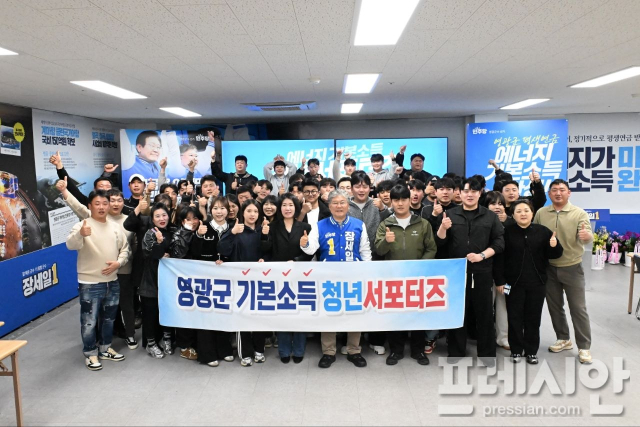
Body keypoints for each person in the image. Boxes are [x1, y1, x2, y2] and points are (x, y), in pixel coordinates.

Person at [435, 177, 505, 363]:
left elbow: (499, 242)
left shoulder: (489, 216)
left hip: (482, 271)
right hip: (456, 273)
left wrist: (482, 255)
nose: (470, 195)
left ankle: (487, 355)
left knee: (484, 314)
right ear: (460, 193)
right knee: (457, 313)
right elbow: (440, 243)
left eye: (474, 191)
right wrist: (442, 228)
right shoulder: (450, 214)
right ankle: (456, 352)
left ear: (480, 193)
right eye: (466, 191)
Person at [302, 189, 371, 369]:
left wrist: (367, 273)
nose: (339, 206)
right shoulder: (320, 225)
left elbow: (365, 251)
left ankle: (354, 350)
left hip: (353, 278)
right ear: (329, 205)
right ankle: (328, 352)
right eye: (335, 203)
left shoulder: (358, 225)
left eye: (342, 202)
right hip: (328, 278)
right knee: (329, 313)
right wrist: (305, 244)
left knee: (354, 313)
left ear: (348, 205)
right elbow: (311, 250)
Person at [494, 199, 564, 364]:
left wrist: (554, 245)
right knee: (514, 318)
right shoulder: (506, 232)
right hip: (512, 284)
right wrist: (500, 281)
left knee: (533, 318)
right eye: (518, 211)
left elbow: (555, 254)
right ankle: (516, 351)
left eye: (526, 210)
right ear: (513, 215)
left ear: (532, 213)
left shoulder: (543, 231)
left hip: (537, 283)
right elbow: (499, 259)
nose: (523, 214)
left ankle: (531, 351)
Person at [66, 190, 130, 371]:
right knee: (89, 321)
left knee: (109, 319)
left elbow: (125, 249)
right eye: (97, 204)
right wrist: (80, 234)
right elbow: (70, 245)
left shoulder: (115, 227)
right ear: (90, 206)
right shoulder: (82, 225)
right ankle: (90, 352)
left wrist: (118, 263)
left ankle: (105, 348)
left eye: (104, 203)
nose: (101, 207)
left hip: (112, 281)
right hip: (90, 283)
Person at [533, 179, 594, 364]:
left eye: (562, 190)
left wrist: (587, 237)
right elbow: (534, 233)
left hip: (572, 267)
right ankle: (563, 338)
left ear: (569, 193)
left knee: (578, 308)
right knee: (555, 306)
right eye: (554, 190)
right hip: (549, 268)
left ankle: (584, 347)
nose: (558, 193)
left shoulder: (579, 213)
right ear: (549, 194)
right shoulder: (541, 213)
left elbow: (587, 236)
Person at [375, 184, 436, 366]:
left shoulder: (422, 223)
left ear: (410, 201)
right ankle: (396, 351)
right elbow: (378, 250)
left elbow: (431, 248)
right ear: (391, 202)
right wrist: (386, 242)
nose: (400, 203)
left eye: (403, 199)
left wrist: (420, 266)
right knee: (395, 315)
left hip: (417, 277)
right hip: (393, 277)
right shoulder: (385, 224)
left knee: (418, 314)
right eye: (396, 200)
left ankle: (418, 351)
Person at [218, 199, 270, 367]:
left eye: (255, 211)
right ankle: (245, 353)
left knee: (260, 316)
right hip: (240, 282)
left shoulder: (263, 229)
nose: (252, 214)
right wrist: (232, 233)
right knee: (243, 317)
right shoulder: (236, 229)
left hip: (260, 281)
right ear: (243, 212)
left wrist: (264, 257)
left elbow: (269, 252)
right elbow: (223, 250)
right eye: (249, 211)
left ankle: (259, 350)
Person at [262, 193, 313, 363]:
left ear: (296, 207)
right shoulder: (272, 226)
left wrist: (297, 260)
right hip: (279, 276)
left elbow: (310, 252)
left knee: (300, 313)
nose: (287, 208)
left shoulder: (305, 226)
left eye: (291, 205)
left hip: (300, 275)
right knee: (282, 313)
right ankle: (284, 351)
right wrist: (264, 235)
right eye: (284, 205)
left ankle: (299, 350)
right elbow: (267, 250)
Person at [188, 197, 235, 366]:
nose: (219, 212)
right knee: (206, 315)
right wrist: (198, 236)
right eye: (215, 208)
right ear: (210, 210)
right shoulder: (204, 227)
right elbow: (194, 252)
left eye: (222, 208)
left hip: (226, 280)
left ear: (228, 210)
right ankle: (207, 354)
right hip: (205, 279)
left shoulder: (233, 228)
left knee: (223, 313)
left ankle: (224, 349)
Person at [348, 171, 386, 355]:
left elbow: (389, 224)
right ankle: (352, 342)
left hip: (375, 259)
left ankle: (375, 340)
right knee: (354, 302)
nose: (361, 190)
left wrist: (383, 209)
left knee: (375, 300)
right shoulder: (345, 205)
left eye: (365, 186)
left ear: (370, 188)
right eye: (357, 186)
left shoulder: (377, 204)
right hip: (351, 262)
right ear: (351, 188)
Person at [140, 203, 176, 358]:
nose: (162, 218)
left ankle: (167, 339)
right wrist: (160, 244)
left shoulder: (172, 231)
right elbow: (151, 255)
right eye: (157, 216)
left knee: (167, 312)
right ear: (152, 219)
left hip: (168, 282)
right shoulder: (150, 234)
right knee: (150, 315)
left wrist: (168, 254)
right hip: (151, 282)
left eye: (164, 215)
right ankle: (151, 344)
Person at [483, 191, 513, 351]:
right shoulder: (481, 221)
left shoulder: (511, 222)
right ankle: (486, 337)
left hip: (505, 275)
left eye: (500, 204)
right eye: (493, 203)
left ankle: (503, 338)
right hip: (485, 272)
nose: (497, 207)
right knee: (486, 307)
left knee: (504, 305)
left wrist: (505, 223)